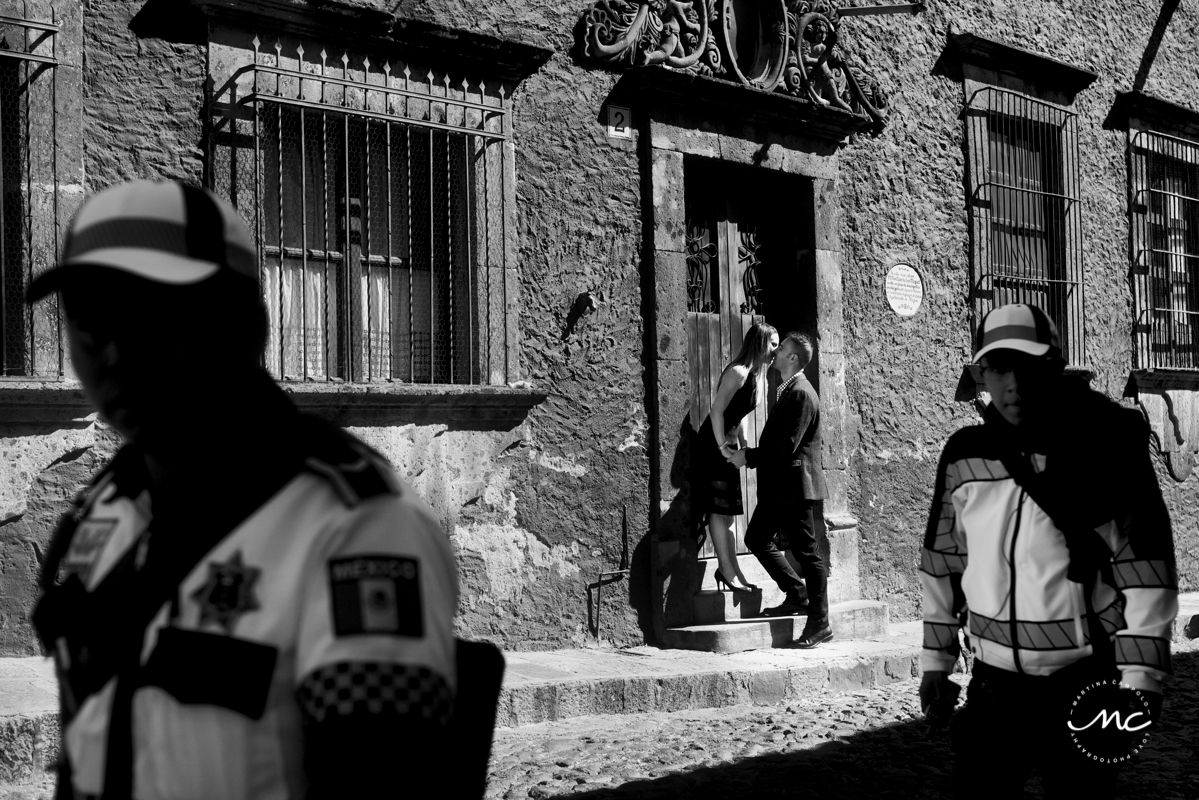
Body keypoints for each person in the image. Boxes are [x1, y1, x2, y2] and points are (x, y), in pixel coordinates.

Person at [28, 180, 459, 800]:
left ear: (239, 324)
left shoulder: (351, 524)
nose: (115, 349)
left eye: (151, 313)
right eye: (89, 317)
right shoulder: (107, 508)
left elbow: (387, 779)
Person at [919, 303, 1178, 799]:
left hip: (1086, 681)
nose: (1012, 383)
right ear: (981, 375)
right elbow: (943, 561)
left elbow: (1148, 565)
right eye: (997, 367)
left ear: (1053, 367)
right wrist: (937, 659)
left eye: (1026, 365)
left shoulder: (1106, 444)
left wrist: (1142, 676)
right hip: (994, 689)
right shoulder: (963, 455)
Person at [728, 332, 831, 648]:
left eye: (781, 347)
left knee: (808, 554)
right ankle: (797, 594)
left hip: (796, 486)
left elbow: (786, 447)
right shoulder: (788, 390)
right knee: (757, 538)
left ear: (793, 358)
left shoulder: (800, 394)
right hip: (782, 487)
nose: (775, 351)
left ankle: (820, 623)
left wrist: (748, 456)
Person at [691, 321, 779, 593]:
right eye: (773, 344)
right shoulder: (739, 372)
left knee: (729, 514)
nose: (776, 350)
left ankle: (733, 571)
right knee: (719, 511)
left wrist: (743, 443)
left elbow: (737, 414)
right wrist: (721, 447)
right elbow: (717, 411)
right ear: (760, 343)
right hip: (713, 445)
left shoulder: (757, 375)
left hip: (728, 444)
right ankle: (727, 570)